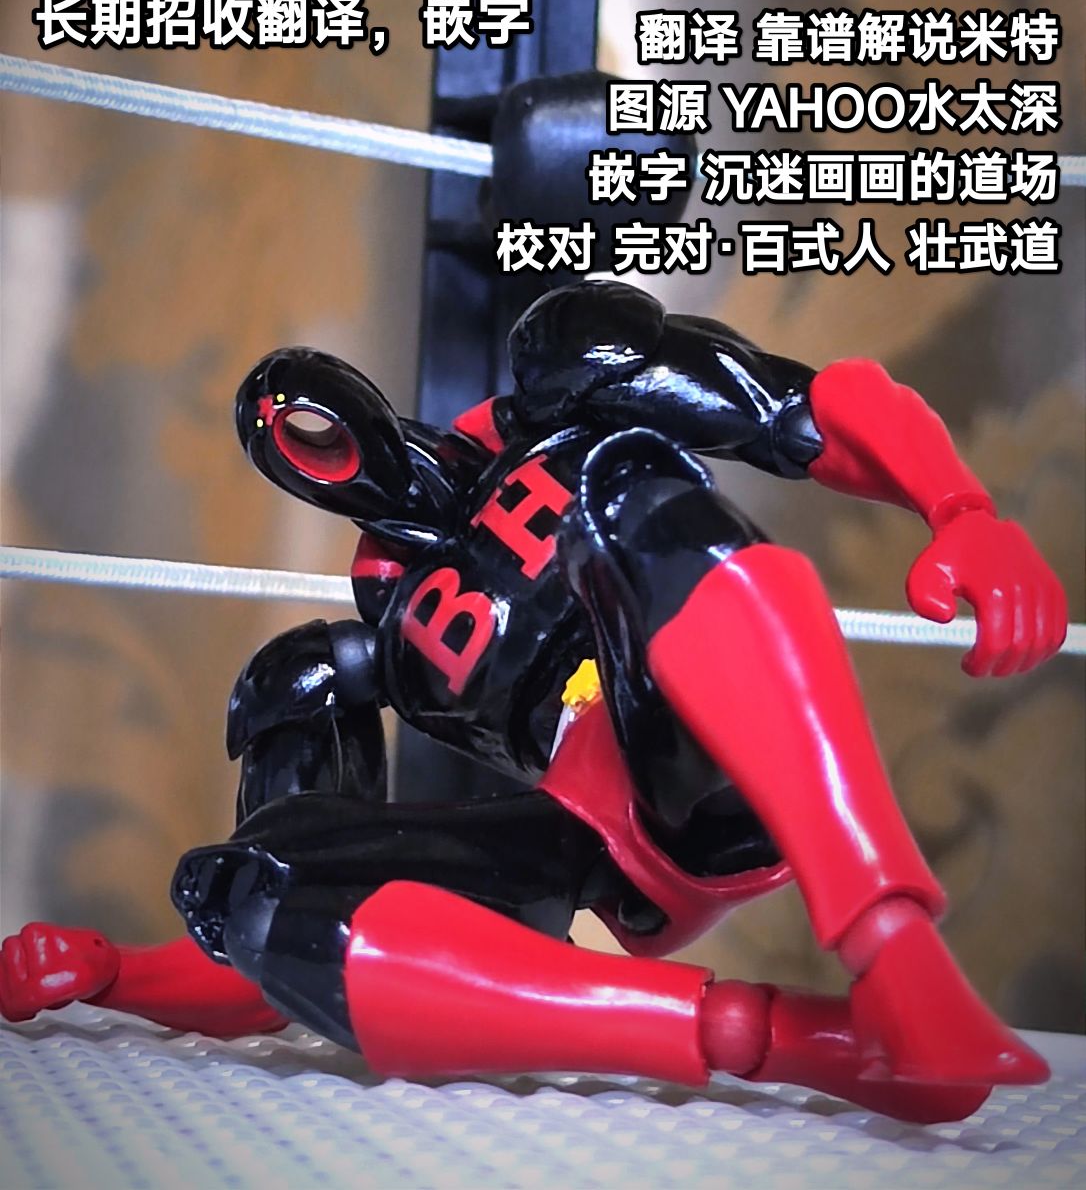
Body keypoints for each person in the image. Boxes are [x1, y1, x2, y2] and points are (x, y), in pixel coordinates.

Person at [1, 282, 1067, 1123]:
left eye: (313, 416)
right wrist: (114, 973)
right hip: (599, 845)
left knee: (625, 496)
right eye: (286, 442)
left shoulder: (562, 397)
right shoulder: (369, 647)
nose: (311, 442)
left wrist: (960, 510)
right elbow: (264, 940)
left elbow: (804, 405)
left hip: (721, 728)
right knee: (259, 881)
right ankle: (793, 1039)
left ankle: (895, 949)